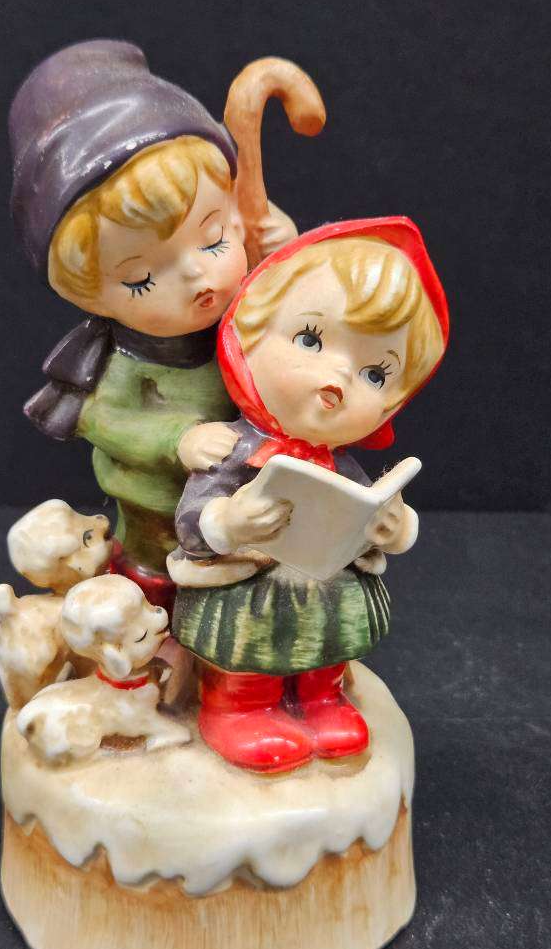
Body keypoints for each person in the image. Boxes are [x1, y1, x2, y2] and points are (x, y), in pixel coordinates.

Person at [9, 41, 298, 601]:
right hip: (159, 503)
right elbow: (105, 418)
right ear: (91, 296)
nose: (196, 276)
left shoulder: (247, 312)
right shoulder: (122, 362)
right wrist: (177, 438)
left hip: (254, 490)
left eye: (213, 239)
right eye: (141, 278)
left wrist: (284, 253)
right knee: (158, 572)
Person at [169, 218, 450, 773]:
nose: (337, 379)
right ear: (247, 333)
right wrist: (231, 522)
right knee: (251, 648)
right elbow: (191, 521)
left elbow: (370, 506)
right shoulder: (230, 449)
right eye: (310, 341)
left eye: (376, 374)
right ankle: (240, 707)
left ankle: (321, 698)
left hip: (324, 585)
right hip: (248, 588)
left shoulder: (342, 465)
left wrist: (389, 527)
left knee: (327, 640)